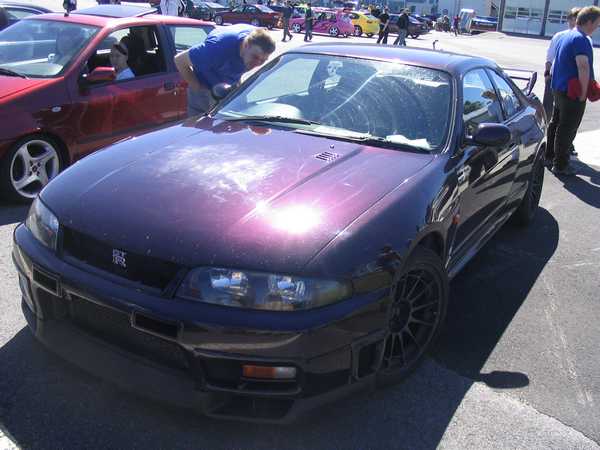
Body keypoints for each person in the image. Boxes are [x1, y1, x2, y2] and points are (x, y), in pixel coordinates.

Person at [174, 25, 276, 117]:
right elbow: (179, 60)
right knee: (202, 128)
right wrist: (197, 86)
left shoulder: (256, 42)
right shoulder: (217, 47)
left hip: (229, 86)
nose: (257, 63)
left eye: (263, 60)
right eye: (255, 57)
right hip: (204, 87)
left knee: (238, 122)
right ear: (246, 45)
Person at [545, 6, 600, 176]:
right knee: (567, 128)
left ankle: (549, 156)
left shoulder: (566, 36)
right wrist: (583, 93)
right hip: (572, 92)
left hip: (559, 88)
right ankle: (561, 165)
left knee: (556, 123)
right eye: (597, 24)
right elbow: (583, 67)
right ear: (589, 22)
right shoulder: (581, 39)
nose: (597, 28)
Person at [543, 7, 582, 156]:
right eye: (574, 18)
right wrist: (547, 73)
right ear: (569, 20)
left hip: (571, 83)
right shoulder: (560, 36)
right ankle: (552, 148)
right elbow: (550, 57)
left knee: (566, 118)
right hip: (558, 81)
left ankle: (565, 145)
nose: (576, 21)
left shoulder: (584, 37)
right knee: (557, 116)